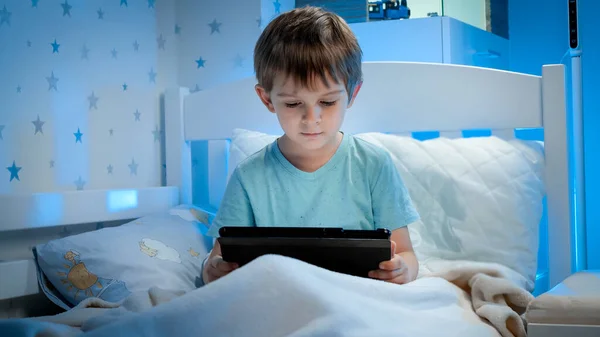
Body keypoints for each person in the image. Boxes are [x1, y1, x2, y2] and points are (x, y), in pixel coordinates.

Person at [202, 6, 420, 286]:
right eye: (293, 104)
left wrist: (403, 270)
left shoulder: (374, 165)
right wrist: (212, 270)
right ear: (267, 100)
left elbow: (406, 255)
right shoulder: (248, 177)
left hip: (357, 296)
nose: (311, 119)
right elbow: (217, 259)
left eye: (327, 102)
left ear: (352, 93)